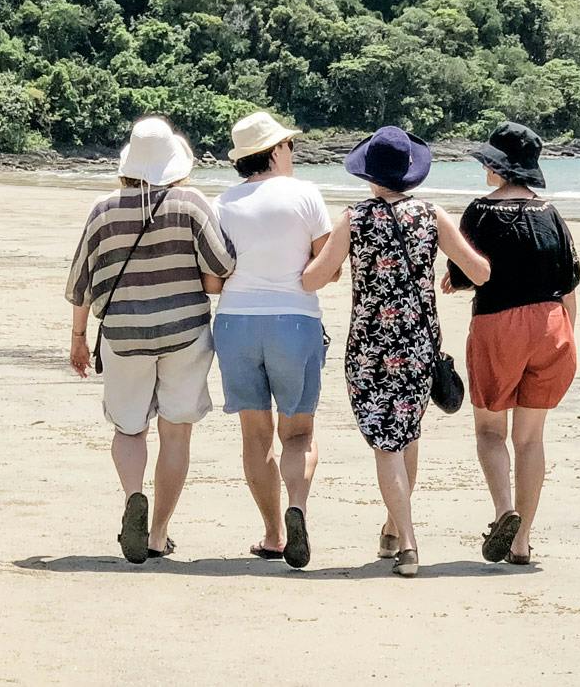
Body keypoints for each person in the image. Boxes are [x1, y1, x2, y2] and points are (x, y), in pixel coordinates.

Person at [301, 125, 491, 577]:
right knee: (407, 434)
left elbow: (313, 279)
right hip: (419, 343)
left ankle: (407, 544)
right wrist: (446, 272)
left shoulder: (354, 219)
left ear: (369, 174)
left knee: (387, 443)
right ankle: (391, 528)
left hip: (370, 346)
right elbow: (481, 272)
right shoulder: (431, 215)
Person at [65, 116, 235, 564]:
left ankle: (133, 497)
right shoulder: (191, 204)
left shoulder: (103, 209)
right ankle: (158, 533)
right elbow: (222, 264)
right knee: (176, 432)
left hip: (123, 335)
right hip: (184, 333)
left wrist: (78, 337)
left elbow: (81, 282)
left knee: (129, 427)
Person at [445, 121, 580, 566]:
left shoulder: (479, 213)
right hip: (551, 325)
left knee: (490, 431)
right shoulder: (551, 214)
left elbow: (467, 273)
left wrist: (455, 282)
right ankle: (522, 541)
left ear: (500, 168)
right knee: (530, 438)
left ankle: (505, 511)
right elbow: (568, 285)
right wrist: (567, 336)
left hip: (498, 324)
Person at [212, 110, 332, 569]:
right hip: (294, 320)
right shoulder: (305, 194)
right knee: (298, 433)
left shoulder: (222, 203)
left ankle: (273, 534)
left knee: (255, 435)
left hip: (236, 322)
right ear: (276, 151)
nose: (293, 152)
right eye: (289, 145)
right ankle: (296, 505)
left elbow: (215, 276)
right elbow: (326, 268)